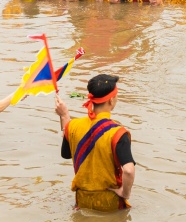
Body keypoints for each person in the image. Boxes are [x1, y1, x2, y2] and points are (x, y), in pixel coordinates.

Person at [55, 74, 136, 211]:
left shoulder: (73, 126)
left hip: (82, 201)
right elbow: (128, 170)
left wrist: (64, 116)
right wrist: (125, 193)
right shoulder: (118, 133)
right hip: (110, 204)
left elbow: (66, 154)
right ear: (111, 100)